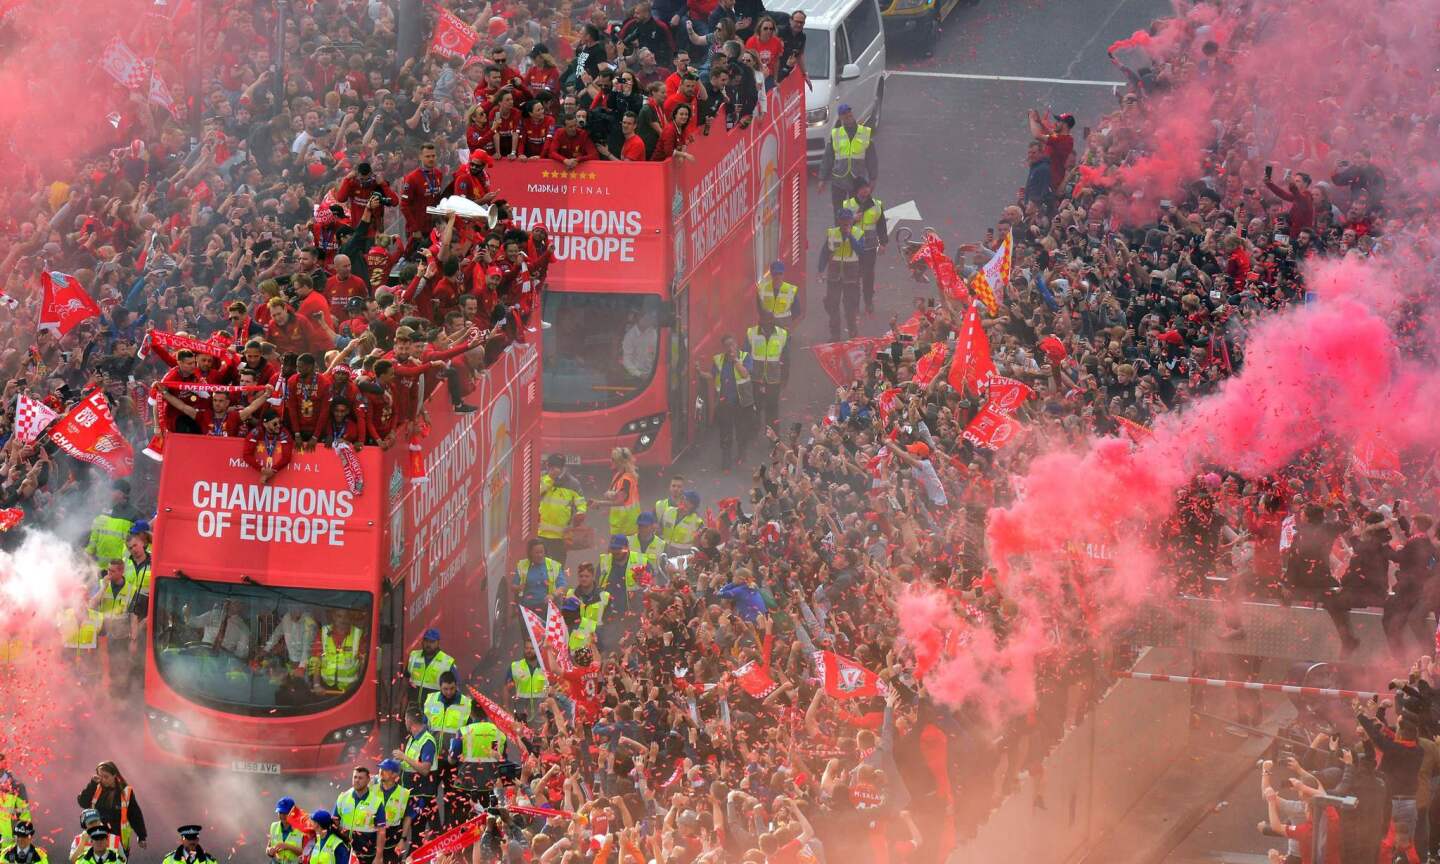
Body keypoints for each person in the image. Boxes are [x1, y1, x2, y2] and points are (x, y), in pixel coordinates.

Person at [696, 336, 754, 471]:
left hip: (742, 402)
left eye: (732, 344)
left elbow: (745, 374)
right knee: (725, 432)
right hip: (725, 402)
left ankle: (741, 454)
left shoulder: (745, 357)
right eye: (727, 345)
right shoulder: (719, 360)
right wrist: (700, 373)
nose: (730, 348)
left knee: (741, 430)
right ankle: (726, 460)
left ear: (736, 344)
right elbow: (712, 375)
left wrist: (736, 361)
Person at [88, 562, 138, 698]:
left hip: (120, 636)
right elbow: (91, 605)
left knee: (119, 667)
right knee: (100, 667)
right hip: (102, 634)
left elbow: (134, 617)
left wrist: (134, 640)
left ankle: (119, 697)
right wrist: (103, 588)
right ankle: (101, 696)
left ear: (121, 572)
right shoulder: (102, 584)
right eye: (108, 570)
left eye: (112, 571)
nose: (108, 574)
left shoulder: (131, 590)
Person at [841, 178, 888, 315]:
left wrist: (883, 243)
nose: (866, 190)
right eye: (862, 187)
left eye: (867, 187)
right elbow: (840, 225)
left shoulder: (876, 204)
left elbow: (881, 225)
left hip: (870, 247)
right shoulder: (848, 205)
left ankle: (868, 301)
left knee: (868, 276)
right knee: (854, 277)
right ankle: (855, 305)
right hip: (853, 247)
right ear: (857, 190)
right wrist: (853, 219)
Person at [76, 764, 144, 855]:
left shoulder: (126, 792)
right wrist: (92, 785)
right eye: (100, 776)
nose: (102, 780)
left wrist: (141, 836)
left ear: (114, 775)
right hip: (97, 838)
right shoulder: (95, 787)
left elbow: (135, 815)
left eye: (106, 777)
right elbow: (82, 802)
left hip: (118, 840)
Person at [818, 208, 865, 340]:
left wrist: (850, 236)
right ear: (839, 221)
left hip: (851, 275)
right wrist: (820, 270)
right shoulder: (832, 234)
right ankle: (835, 334)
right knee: (832, 304)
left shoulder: (858, 233)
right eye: (843, 221)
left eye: (848, 221)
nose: (845, 223)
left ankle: (852, 332)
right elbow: (825, 252)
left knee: (850, 305)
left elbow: (861, 251)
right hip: (834, 274)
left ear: (851, 221)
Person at [821, 104, 876, 216]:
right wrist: (822, 178)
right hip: (839, 180)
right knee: (839, 213)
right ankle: (840, 233)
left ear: (852, 113)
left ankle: (855, 233)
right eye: (844, 114)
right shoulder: (835, 134)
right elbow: (828, 157)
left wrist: (873, 178)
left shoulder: (864, 133)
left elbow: (872, 157)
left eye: (849, 112)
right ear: (840, 117)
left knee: (858, 212)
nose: (847, 115)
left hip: (858, 180)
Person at [391, 713, 437, 845]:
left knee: (418, 832)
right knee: (408, 829)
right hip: (411, 792)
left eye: (405, 719)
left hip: (421, 793)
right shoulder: (413, 738)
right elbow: (411, 764)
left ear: (409, 721)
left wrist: (404, 757)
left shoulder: (427, 741)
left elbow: (424, 769)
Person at [537, 455, 587, 564]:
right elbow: (536, 493)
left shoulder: (572, 483)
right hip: (541, 533)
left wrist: (580, 513)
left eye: (556, 468)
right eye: (550, 468)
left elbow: (581, 502)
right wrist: (550, 478)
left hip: (561, 536)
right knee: (540, 566)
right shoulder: (542, 478)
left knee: (557, 567)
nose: (553, 470)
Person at [746, 311, 790, 431]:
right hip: (756, 378)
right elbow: (746, 355)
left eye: (769, 320)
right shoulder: (751, 333)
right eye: (763, 319)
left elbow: (786, 358)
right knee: (756, 407)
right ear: (760, 320)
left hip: (773, 379)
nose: (766, 322)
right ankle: (754, 431)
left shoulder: (782, 334)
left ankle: (773, 437)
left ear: (772, 320)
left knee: (772, 409)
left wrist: (785, 378)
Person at [334, 767, 385, 864]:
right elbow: (335, 821)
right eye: (355, 777)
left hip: (366, 854)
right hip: (345, 851)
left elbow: (381, 832)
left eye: (360, 778)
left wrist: (379, 857)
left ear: (368, 780)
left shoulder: (376, 802)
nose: (357, 780)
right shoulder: (343, 797)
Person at [85, 482, 139, 567]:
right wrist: (88, 552)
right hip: (100, 567)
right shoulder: (104, 509)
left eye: (113, 490)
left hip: (120, 569)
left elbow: (137, 541)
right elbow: (95, 534)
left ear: (121, 493)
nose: (110, 493)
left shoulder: (134, 514)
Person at [422, 672, 472, 760]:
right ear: (440, 687)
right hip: (432, 755)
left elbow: (470, 731)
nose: (449, 692)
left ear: (456, 686)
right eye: (445, 689)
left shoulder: (466, 703)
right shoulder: (431, 700)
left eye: (452, 688)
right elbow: (424, 725)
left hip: (454, 757)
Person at [514, 538, 566, 615]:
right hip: (528, 609)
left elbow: (562, 586)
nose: (540, 555)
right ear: (530, 553)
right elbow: (513, 585)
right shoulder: (522, 565)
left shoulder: (554, 565)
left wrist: (553, 595)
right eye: (536, 552)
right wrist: (518, 588)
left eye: (541, 552)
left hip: (548, 607)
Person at [405, 628, 456, 707]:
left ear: (438, 642)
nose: (428, 644)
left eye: (432, 642)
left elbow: (455, 688)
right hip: (414, 708)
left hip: (434, 710)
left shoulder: (446, 662)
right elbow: (405, 679)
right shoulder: (414, 656)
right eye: (426, 641)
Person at [374, 760, 411, 864]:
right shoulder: (371, 788)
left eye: (385, 770)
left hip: (392, 843)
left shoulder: (404, 793)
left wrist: (403, 839)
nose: (381, 771)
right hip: (371, 843)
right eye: (380, 768)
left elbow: (407, 818)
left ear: (395, 774)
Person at [604, 447, 641, 538]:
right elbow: (617, 494)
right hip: (622, 524)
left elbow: (619, 501)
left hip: (625, 526)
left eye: (613, 459)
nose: (610, 461)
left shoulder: (626, 479)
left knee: (618, 551)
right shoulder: (619, 475)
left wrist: (599, 503)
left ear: (619, 462)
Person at [505, 640, 547, 719]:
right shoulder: (515, 666)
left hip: (541, 716)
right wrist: (507, 710)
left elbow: (550, 688)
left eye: (532, 648)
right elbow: (506, 689)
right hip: (521, 714)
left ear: (538, 650)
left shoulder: (545, 667)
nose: (529, 651)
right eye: (527, 648)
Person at [265, 800, 303, 864]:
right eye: (280, 813)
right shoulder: (274, 826)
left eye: (285, 813)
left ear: (293, 812)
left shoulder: (301, 829)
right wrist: (269, 851)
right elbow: (268, 847)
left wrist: (287, 846)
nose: (282, 815)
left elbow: (306, 853)